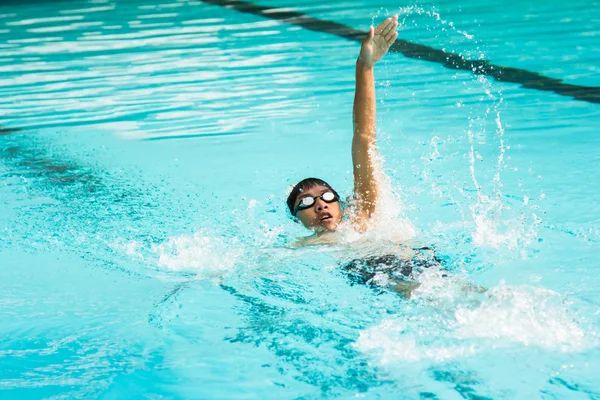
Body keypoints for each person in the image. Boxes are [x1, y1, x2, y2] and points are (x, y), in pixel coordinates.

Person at [286, 15, 399, 243]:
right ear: (296, 219)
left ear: (341, 203)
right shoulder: (305, 245)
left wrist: (365, 66)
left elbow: (364, 137)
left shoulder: (362, 217)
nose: (320, 205)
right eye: (305, 202)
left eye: (327, 196)